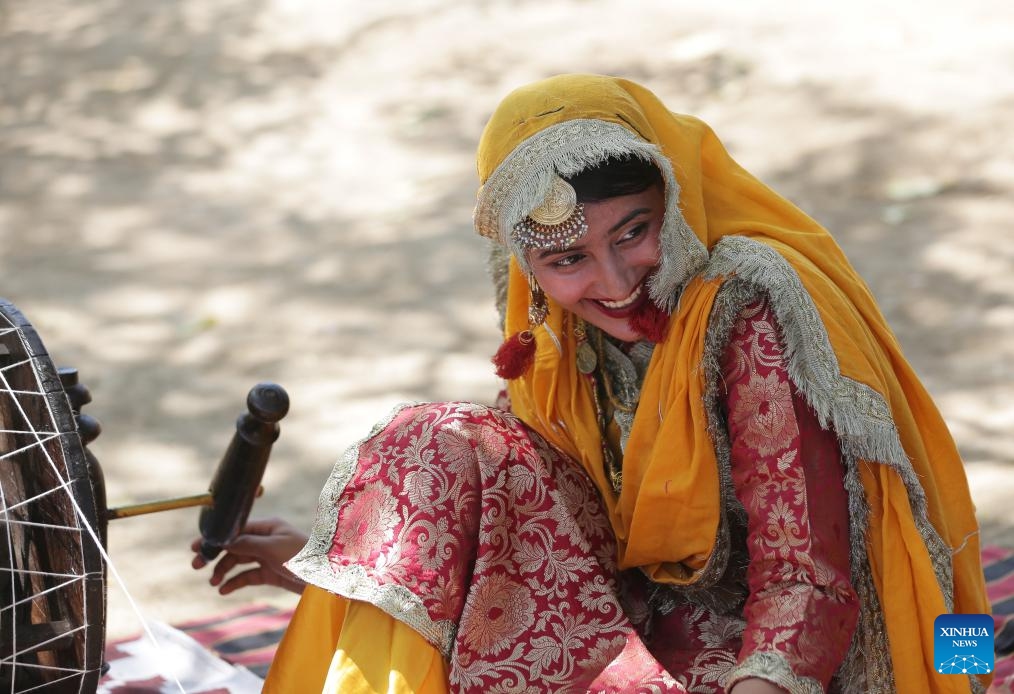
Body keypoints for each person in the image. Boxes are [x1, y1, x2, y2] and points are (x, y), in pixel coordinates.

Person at [193, 74, 991, 693]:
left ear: (672, 200)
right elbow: (546, 504)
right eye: (568, 258)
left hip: (781, 657)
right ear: (527, 267)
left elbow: (805, 575)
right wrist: (368, 560)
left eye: (634, 232)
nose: (616, 283)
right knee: (427, 446)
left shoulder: (742, 306)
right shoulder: (555, 329)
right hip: (634, 624)